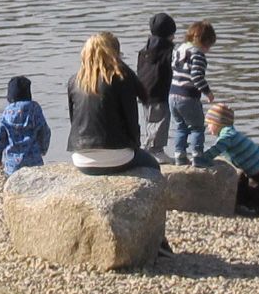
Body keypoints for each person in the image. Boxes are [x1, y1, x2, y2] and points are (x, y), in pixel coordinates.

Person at [64, 32, 156, 174]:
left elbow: (74, 119)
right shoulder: (121, 78)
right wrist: (135, 147)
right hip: (117, 155)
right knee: (153, 165)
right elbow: (131, 120)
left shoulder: (73, 81)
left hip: (80, 157)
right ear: (115, 53)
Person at [204, 104, 259, 213]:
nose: (208, 128)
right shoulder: (228, 132)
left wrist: (204, 157)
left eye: (209, 124)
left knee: (255, 191)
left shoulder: (227, 135)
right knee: (240, 184)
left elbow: (217, 149)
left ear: (218, 123)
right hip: (251, 168)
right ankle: (242, 205)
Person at [169, 22, 216, 164]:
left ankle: (180, 155)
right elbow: (196, 76)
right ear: (205, 42)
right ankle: (197, 156)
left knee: (181, 126)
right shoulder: (198, 55)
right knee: (197, 127)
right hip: (188, 96)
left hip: (172, 95)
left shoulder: (178, 49)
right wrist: (207, 92)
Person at [135, 13, 177, 159]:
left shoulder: (144, 51)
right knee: (160, 121)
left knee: (150, 121)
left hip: (144, 91)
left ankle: (149, 146)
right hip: (160, 91)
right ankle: (156, 150)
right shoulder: (168, 51)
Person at [0, 76, 50, 173]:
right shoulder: (34, 109)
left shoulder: (7, 112)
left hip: (12, 165)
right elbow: (45, 131)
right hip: (34, 161)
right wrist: (43, 149)